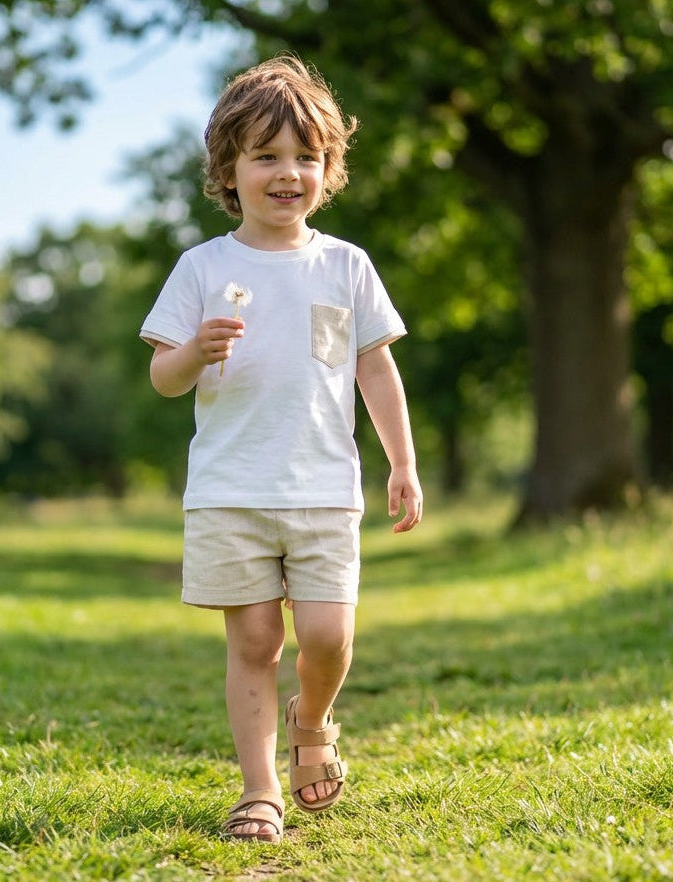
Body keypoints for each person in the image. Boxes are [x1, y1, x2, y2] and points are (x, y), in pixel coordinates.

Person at [140, 54, 423, 844]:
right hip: (231, 488)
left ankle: (315, 719)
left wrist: (402, 462)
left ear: (329, 169)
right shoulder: (203, 268)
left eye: (306, 156)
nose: (287, 173)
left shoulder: (345, 265)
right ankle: (258, 789)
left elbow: (376, 368)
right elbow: (164, 378)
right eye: (266, 156)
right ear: (229, 168)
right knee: (257, 640)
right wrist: (194, 351)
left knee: (328, 637)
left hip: (326, 486)